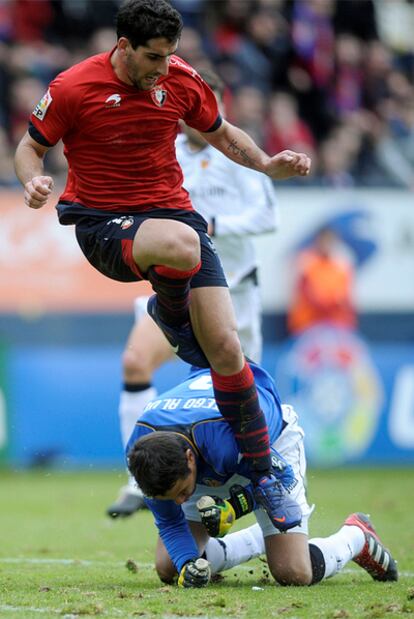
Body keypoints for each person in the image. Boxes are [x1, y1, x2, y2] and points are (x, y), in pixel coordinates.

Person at [14, 0, 311, 528]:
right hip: (105, 225)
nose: (163, 67)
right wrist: (32, 179)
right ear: (123, 46)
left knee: (225, 349)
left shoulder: (181, 80)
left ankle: (266, 473)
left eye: (170, 56)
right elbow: (29, 148)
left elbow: (223, 134)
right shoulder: (72, 87)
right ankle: (170, 315)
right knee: (181, 246)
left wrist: (266, 163)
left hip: (174, 220)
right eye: (154, 56)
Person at [107, 68, 279, 518]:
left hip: (234, 293)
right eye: (186, 108)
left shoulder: (238, 155)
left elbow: (268, 216)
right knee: (134, 361)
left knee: (245, 395)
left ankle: (260, 487)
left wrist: (215, 226)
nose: (191, 117)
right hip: (176, 287)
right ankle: (138, 476)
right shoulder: (166, 152)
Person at [126, 362, 398, 588]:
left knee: (293, 573)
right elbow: (171, 523)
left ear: (188, 458)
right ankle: (262, 537)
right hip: (206, 451)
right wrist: (187, 564)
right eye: (172, 497)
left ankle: (356, 536)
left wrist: (234, 507)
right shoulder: (144, 456)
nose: (180, 501)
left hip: (267, 445)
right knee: (170, 567)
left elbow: (283, 477)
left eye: (183, 492)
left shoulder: (225, 442)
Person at [287, 226, 357, 335]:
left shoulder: (341, 265)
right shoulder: (306, 262)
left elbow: (345, 297)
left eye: (330, 241)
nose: (326, 244)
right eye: (324, 240)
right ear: (317, 241)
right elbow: (306, 292)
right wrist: (324, 303)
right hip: (308, 325)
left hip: (336, 324)